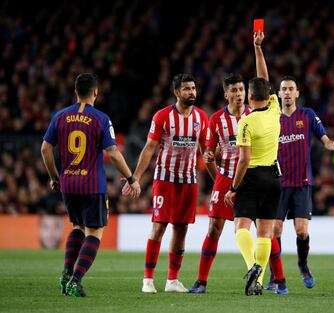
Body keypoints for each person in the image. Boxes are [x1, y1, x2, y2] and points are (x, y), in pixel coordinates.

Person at [254, 31, 334, 289]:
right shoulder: (272, 115)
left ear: (298, 92)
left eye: (291, 88)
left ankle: (303, 265)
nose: (287, 92)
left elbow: (324, 137)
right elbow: (261, 79)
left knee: (302, 231)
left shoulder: (307, 114)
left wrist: (330, 145)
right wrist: (258, 49)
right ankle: (275, 275)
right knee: (275, 232)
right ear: (278, 94)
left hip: (302, 183)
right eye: (283, 89)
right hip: (278, 183)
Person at [41, 73, 140, 297]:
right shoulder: (101, 119)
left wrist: (54, 176)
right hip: (92, 184)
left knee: (77, 227)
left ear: (76, 92)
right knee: (94, 232)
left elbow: (45, 149)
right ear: (96, 92)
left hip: (68, 184)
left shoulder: (60, 116)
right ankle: (75, 280)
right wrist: (131, 178)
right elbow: (113, 153)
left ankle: (66, 274)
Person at [122, 74, 209, 293]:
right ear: (177, 93)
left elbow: (205, 151)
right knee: (159, 226)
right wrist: (136, 178)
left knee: (181, 230)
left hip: (189, 181)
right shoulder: (162, 116)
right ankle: (148, 280)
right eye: (187, 88)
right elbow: (149, 148)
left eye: (193, 88)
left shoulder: (201, 117)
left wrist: (218, 177)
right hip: (165, 179)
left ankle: (172, 280)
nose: (192, 92)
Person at [188, 74, 251, 293]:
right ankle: (201, 281)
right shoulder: (216, 120)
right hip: (226, 178)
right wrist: (219, 180)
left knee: (263, 230)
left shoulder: (254, 115)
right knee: (214, 229)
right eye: (234, 90)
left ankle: (271, 279)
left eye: (241, 90)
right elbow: (209, 154)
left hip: (251, 180)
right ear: (226, 95)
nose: (239, 94)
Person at [223, 76, 282, 296]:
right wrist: (258, 49)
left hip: (252, 178)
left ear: (249, 96)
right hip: (274, 177)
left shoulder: (245, 122)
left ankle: (251, 267)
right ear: (269, 96)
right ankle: (256, 283)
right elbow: (264, 78)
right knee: (265, 234)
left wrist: (234, 187)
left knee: (241, 227)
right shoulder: (275, 109)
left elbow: (244, 161)